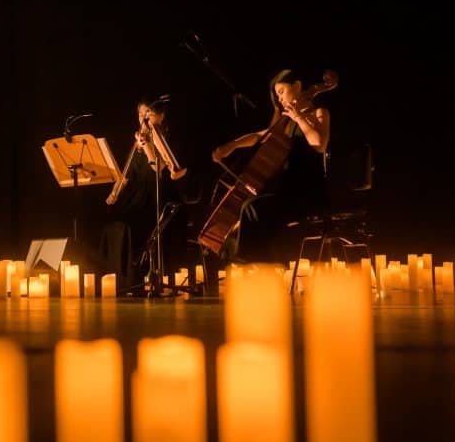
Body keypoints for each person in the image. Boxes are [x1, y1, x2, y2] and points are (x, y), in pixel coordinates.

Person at [209, 68, 332, 266]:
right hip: (288, 190)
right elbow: (259, 136)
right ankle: (261, 263)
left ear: (298, 86)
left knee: (253, 207)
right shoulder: (285, 124)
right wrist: (231, 146)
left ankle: (258, 264)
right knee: (249, 211)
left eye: (282, 91)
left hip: (309, 191)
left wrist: (299, 117)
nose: (280, 99)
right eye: (277, 95)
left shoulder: (319, 113)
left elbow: (319, 144)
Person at [103, 97, 192, 292]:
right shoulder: (137, 144)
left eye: (148, 114)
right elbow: (125, 176)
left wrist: (147, 146)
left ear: (161, 116)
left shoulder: (167, 140)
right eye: (141, 114)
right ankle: (122, 280)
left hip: (162, 197)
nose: (143, 118)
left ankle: (140, 276)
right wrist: (114, 192)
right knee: (115, 222)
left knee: (132, 223)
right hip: (141, 197)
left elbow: (158, 170)